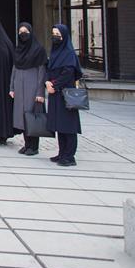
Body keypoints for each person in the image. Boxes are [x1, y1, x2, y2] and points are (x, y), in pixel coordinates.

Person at [46, 24, 82, 166]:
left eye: (57, 35)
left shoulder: (69, 53)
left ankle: (69, 156)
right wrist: (47, 82)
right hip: (55, 93)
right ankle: (62, 153)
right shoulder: (55, 52)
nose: (55, 37)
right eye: (53, 34)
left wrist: (54, 85)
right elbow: (49, 69)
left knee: (68, 126)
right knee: (59, 125)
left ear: (64, 36)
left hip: (66, 94)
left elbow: (68, 73)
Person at [10, 22, 47, 156]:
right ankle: (27, 144)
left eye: (25, 32)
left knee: (32, 116)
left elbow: (42, 72)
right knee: (23, 117)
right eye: (20, 32)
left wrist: (40, 92)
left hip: (32, 88)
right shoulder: (18, 50)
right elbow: (14, 69)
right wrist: (12, 87)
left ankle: (34, 146)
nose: (23, 34)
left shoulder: (39, 50)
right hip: (19, 88)